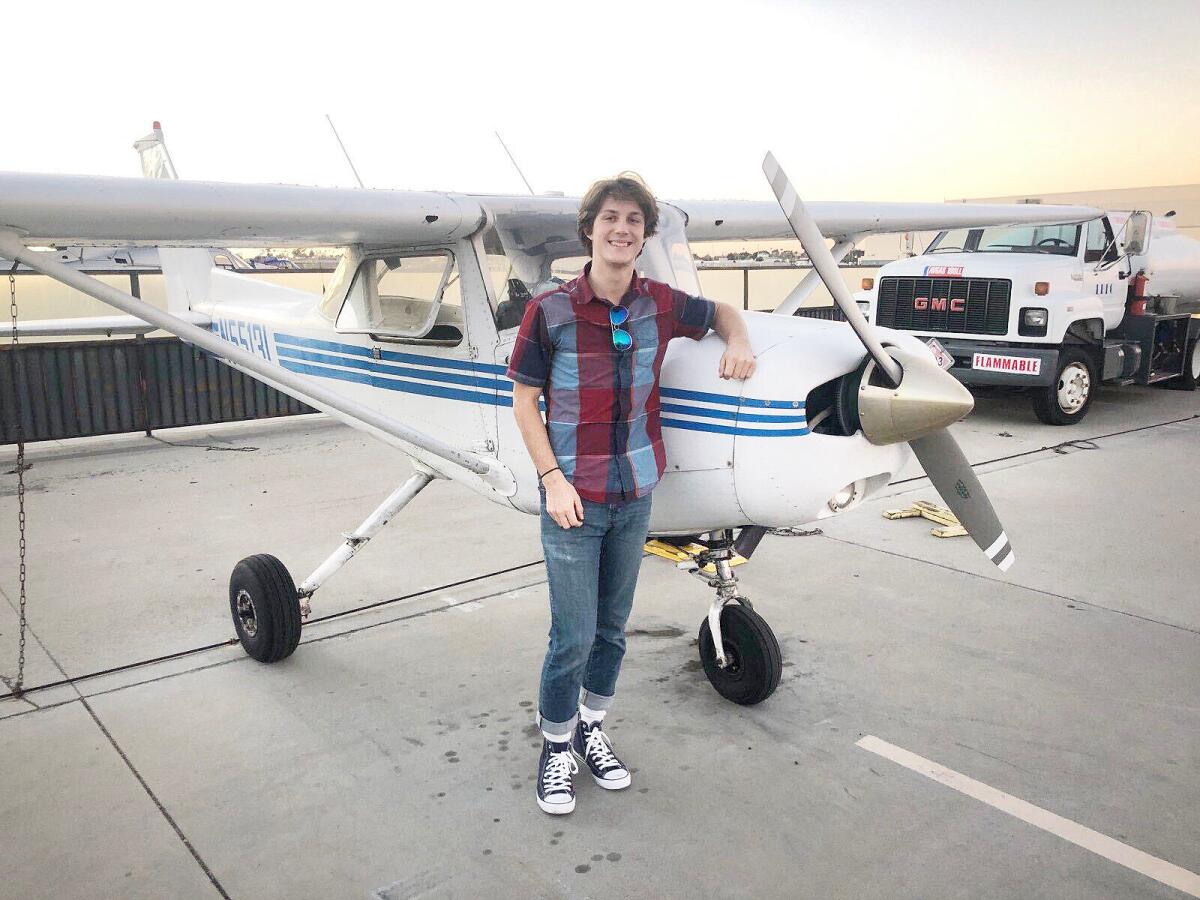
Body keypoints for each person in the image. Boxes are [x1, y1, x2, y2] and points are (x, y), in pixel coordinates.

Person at [506, 173, 756, 815]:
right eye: (610, 218)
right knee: (574, 635)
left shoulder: (660, 303)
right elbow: (525, 399)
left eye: (634, 222)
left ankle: (591, 728)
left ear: (644, 236)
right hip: (574, 496)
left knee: (614, 631)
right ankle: (555, 746)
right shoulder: (551, 310)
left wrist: (741, 342)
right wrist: (550, 479)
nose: (622, 230)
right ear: (589, 229)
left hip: (635, 492)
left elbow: (724, 313)